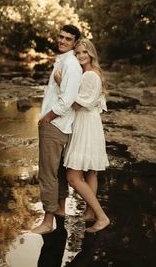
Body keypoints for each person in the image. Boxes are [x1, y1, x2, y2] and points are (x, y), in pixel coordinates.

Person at [54, 39, 110, 233]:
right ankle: (89, 213)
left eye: (84, 52)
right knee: (90, 172)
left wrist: (62, 85)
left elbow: (77, 104)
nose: (80, 56)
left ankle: (102, 217)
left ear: (91, 53)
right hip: (91, 122)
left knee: (73, 176)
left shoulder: (89, 76)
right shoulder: (93, 74)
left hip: (85, 124)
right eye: (77, 53)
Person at [32, 24, 83, 235]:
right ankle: (61, 210)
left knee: (47, 173)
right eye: (60, 37)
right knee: (59, 172)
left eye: (67, 39)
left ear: (75, 42)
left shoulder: (71, 65)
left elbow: (66, 101)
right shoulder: (64, 61)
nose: (62, 41)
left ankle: (47, 221)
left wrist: (46, 119)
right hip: (60, 125)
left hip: (55, 125)